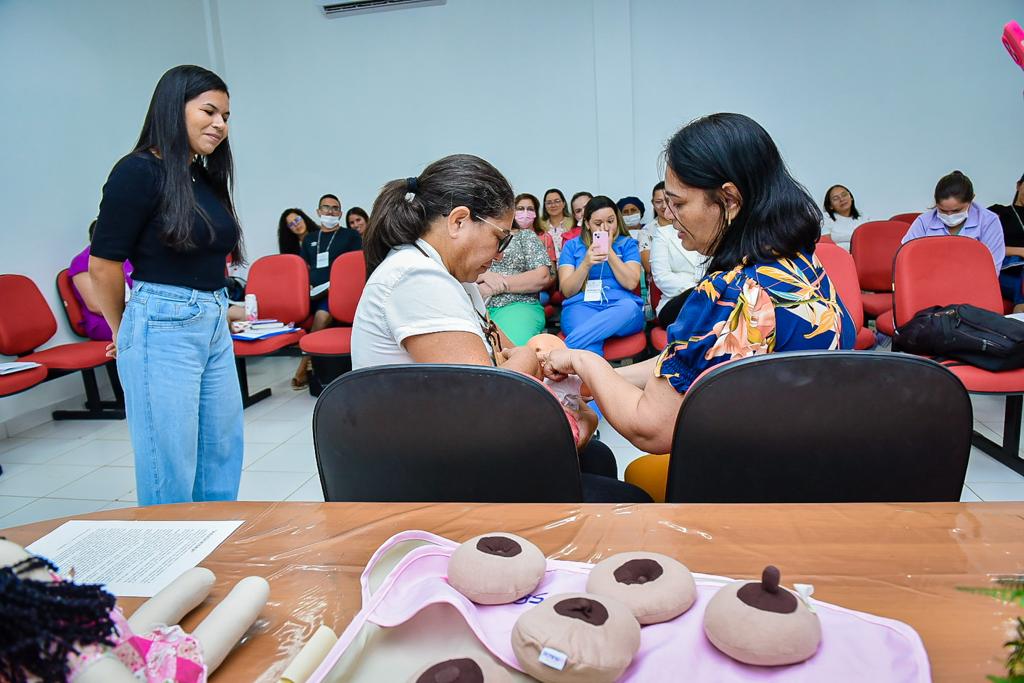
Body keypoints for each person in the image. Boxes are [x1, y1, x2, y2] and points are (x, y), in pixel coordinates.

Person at [540, 113, 854, 479]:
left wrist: (584, 363)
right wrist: (607, 377)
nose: (670, 218)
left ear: (730, 199)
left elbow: (650, 426)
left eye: (679, 204)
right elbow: (682, 366)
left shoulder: (731, 294)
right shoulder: (800, 261)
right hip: (819, 468)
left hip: (751, 487)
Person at [351, 154, 649, 503]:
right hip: (428, 468)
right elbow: (488, 399)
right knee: (629, 501)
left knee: (598, 457)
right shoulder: (417, 278)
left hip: (455, 443)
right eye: (500, 238)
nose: (498, 254)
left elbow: (511, 364)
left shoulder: (458, 283)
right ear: (459, 221)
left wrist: (522, 362)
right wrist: (525, 359)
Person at [89, 65, 245, 506]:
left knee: (221, 451)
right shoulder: (137, 171)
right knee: (170, 464)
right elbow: (103, 266)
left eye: (227, 117)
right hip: (160, 320)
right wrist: (123, 332)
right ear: (173, 108)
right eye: (210, 111)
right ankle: (168, 566)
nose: (220, 125)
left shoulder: (202, 176)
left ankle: (213, 551)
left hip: (213, 320)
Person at [557, 196, 645, 354]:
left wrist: (608, 251)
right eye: (598, 224)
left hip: (622, 307)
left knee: (629, 308)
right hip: (581, 306)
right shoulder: (571, 246)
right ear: (587, 224)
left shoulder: (628, 244)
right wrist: (585, 264)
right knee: (589, 347)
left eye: (610, 221)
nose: (605, 228)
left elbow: (631, 283)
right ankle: (596, 378)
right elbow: (567, 291)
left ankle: (560, 350)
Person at [293, 193, 362, 388]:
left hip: (336, 293)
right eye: (326, 207)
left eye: (335, 208)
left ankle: (303, 366)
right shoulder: (310, 239)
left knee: (321, 317)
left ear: (340, 213)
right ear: (318, 211)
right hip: (312, 293)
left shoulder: (350, 236)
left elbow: (355, 266)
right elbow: (304, 267)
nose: (330, 211)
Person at [478, 193, 553, 345]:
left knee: (509, 353)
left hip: (517, 304)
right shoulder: (477, 236)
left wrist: (499, 284)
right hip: (475, 305)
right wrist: (485, 276)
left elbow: (542, 276)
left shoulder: (525, 236)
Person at [901, 171, 1004, 274]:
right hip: (929, 282)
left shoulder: (989, 221)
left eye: (956, 211)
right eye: (943, 210)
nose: (949, 215)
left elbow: (992, 268)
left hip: (974, 284)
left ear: (971, 199)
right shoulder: (923, 222)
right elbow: (905, 259)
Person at [69, 221, 133, 341]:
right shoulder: (82, 261)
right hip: (105, 321)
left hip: (131, 314)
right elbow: (95, 306)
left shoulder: (124, 257)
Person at [988, 172, 1024, 310]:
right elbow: (982, 248)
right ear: (1018, 185)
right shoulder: (998, 212)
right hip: (1007, 268)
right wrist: (1020, 251)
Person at [820, 184, 868, 251]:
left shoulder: (864, 219)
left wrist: (835, 236)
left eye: (844, 195)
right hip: (838, 256)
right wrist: (857, 236)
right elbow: (824, 238)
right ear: (830, 206)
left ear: (851, 197)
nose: (841, 199)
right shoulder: (826, 217)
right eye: (835, 198)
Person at [540, 189, 575, 257]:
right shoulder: (539, 225)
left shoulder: (573, 223)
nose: (553, 205)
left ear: (564, 203)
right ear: (545, 206)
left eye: (557, 201)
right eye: (549, 203)